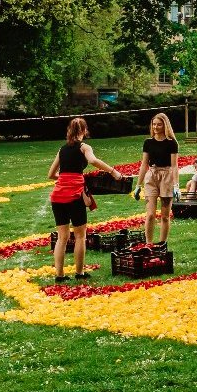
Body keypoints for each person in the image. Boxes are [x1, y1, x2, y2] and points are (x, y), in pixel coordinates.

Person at [47, 117, 125, 283]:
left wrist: (64, 178)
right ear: (84, 131)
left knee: (62, 238)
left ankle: (59, 275)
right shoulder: (84, 147)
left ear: (70, 131)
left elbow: (51, 175)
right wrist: (113, 171)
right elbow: (93, 161)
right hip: (75, 196)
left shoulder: (62, 149)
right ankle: (80, 272)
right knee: (80, 236)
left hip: (58, 196)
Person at [133, 113, 181, 247]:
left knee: (165, 216)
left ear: (164, 125)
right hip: (151, 176)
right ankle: (148, 244)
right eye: (154, 124)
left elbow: (174, 166)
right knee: (150, 215)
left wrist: (176, 185)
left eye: (159, 124)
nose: (156, 127)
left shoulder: (172, 143)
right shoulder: (148, 142)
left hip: (167, 176)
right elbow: (144, 164)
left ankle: (162, 244)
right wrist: (138, 185)